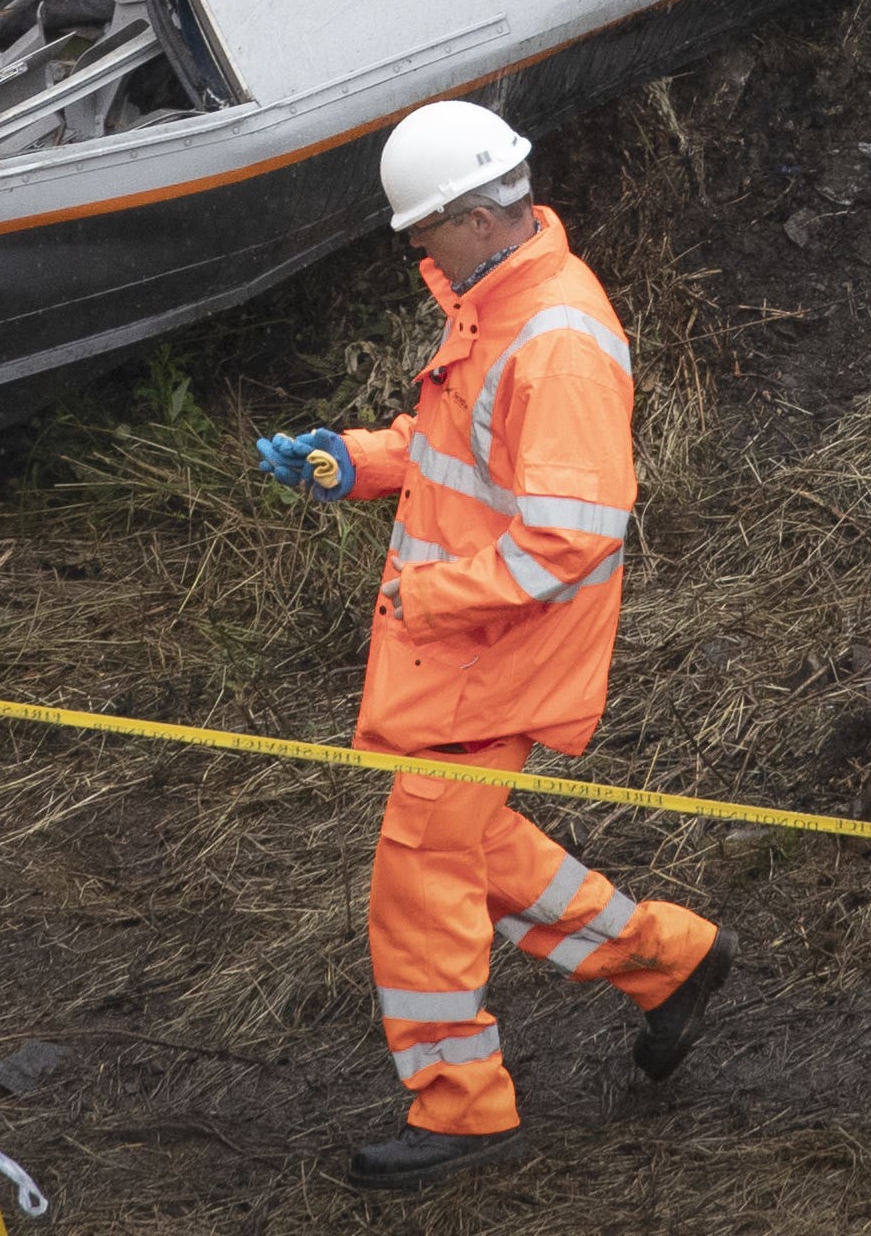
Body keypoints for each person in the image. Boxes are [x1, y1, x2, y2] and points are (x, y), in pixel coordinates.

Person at [255, 100, 735, 1191]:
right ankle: (670, 959)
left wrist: (434, 603)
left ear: (474, 216)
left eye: (422, 231)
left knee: (419, 874)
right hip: (473, 647)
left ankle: (463, 1109)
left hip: (494, 654)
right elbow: (451, 451)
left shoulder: (554, 342)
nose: (416, 250)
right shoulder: (496, 303)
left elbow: (571, 536)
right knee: (471, 848)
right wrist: (350, 461)